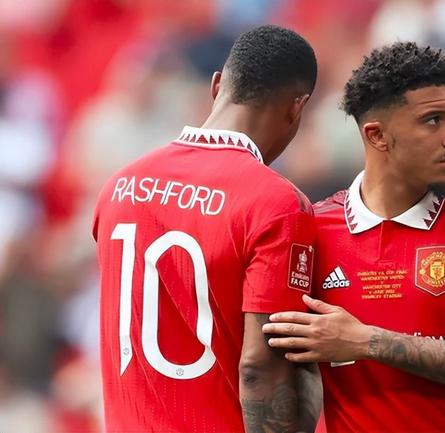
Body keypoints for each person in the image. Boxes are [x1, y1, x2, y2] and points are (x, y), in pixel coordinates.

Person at [263, 42, 445, 433]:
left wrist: (366, 342)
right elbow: (286, 368)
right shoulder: (312, 229)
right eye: (433, 120)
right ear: (377, 136)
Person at [92, 25, 321, 433]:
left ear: (216, 87)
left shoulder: (119, 186)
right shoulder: (275, 203)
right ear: (296, 108)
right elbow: (260, 368)